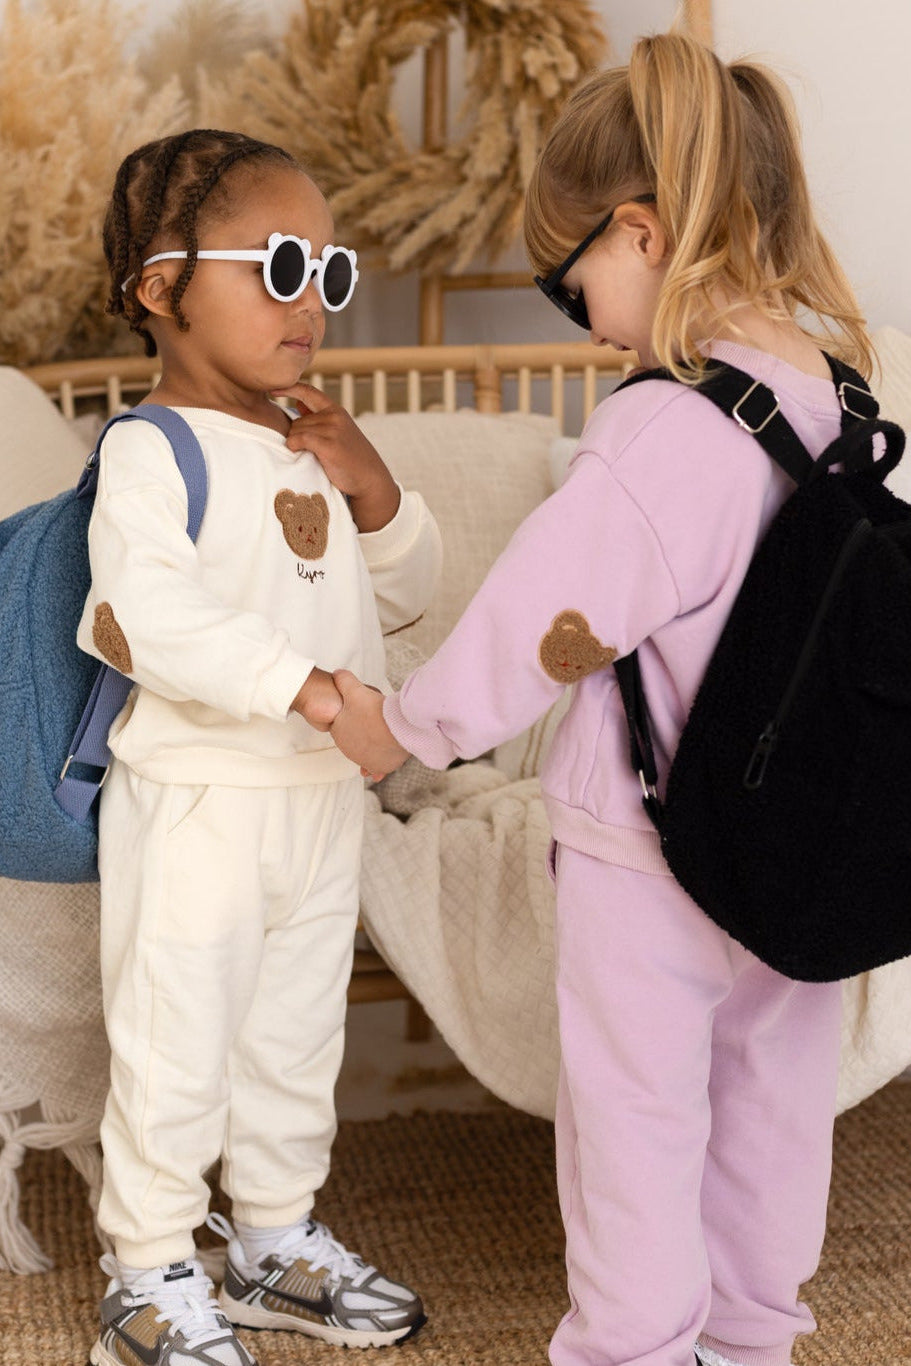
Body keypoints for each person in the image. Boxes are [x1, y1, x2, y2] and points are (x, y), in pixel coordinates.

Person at [328, 32, 873, 1366]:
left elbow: (542, 624)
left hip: (648, 842)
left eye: (568, 286)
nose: (583, 322)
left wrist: (402, 730)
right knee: (770, 1115)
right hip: (805, 838)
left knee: (634, 1125)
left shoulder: (662, 424)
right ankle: (747, 1343)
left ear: (639, 231)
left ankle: (631, 1351)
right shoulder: (838, 399)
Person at [80, 129, 441, 1366]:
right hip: (200, 803)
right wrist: (313, 691)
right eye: (281, 267)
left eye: (328, 275)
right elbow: (142, 614)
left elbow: (402, 597)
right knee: (175, 1041)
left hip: (315, 803)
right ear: (161, 287)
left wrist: (372, 488)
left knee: (294, 1040)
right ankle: (147, 1270)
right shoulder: (151, 450)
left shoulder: (305, 435)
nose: (310, 304)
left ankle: (273, 1242)